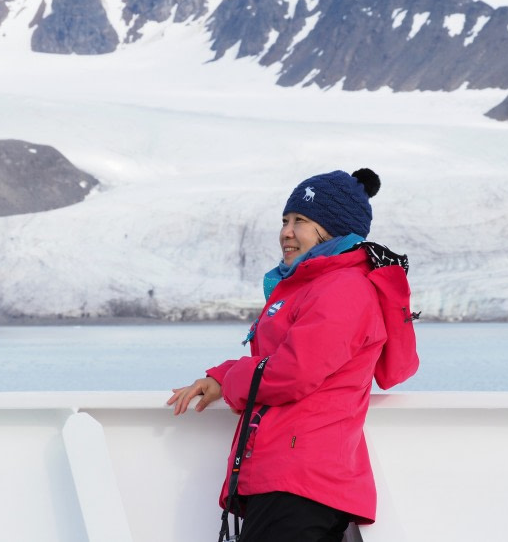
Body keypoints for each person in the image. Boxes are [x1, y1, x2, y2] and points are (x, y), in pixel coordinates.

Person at [167, 168, 419, 542]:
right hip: (294, 476)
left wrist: (231, 378)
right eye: (285, 220)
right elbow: (286, 360)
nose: (286, 231)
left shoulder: (343, 288)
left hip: (300, 482)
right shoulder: (316, 284)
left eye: (301, 221)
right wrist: (222, 374)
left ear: (334, 230)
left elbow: (292, 372)